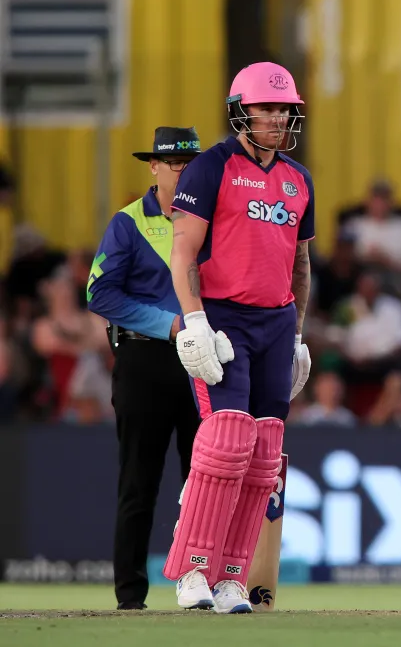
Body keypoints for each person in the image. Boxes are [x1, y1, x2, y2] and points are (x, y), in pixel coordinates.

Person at [164, 62, 314, 613]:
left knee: (264, 453)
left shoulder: (298, 179)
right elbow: (183, 253)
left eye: (284, 109)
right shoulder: (211, 168)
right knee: (226, 441)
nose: (277, 118)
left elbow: (300, 264)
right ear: (240, 113)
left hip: (277, 322)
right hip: (224, 316)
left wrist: (296, 335)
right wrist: (195, 321)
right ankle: (191, 570)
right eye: (266, 108)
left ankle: (231, 576)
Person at [86, 127, 203, 610]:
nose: (185, 172)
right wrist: (170, 324)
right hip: (145, 359)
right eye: (176, 163)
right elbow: (99, 294)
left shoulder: (210, 219)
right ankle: (130, 596)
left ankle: (200, 582)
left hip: (201, 361)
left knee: (203, 481)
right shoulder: (129, 221)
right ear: (153, 167)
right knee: (139, 481)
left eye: (192, 164)